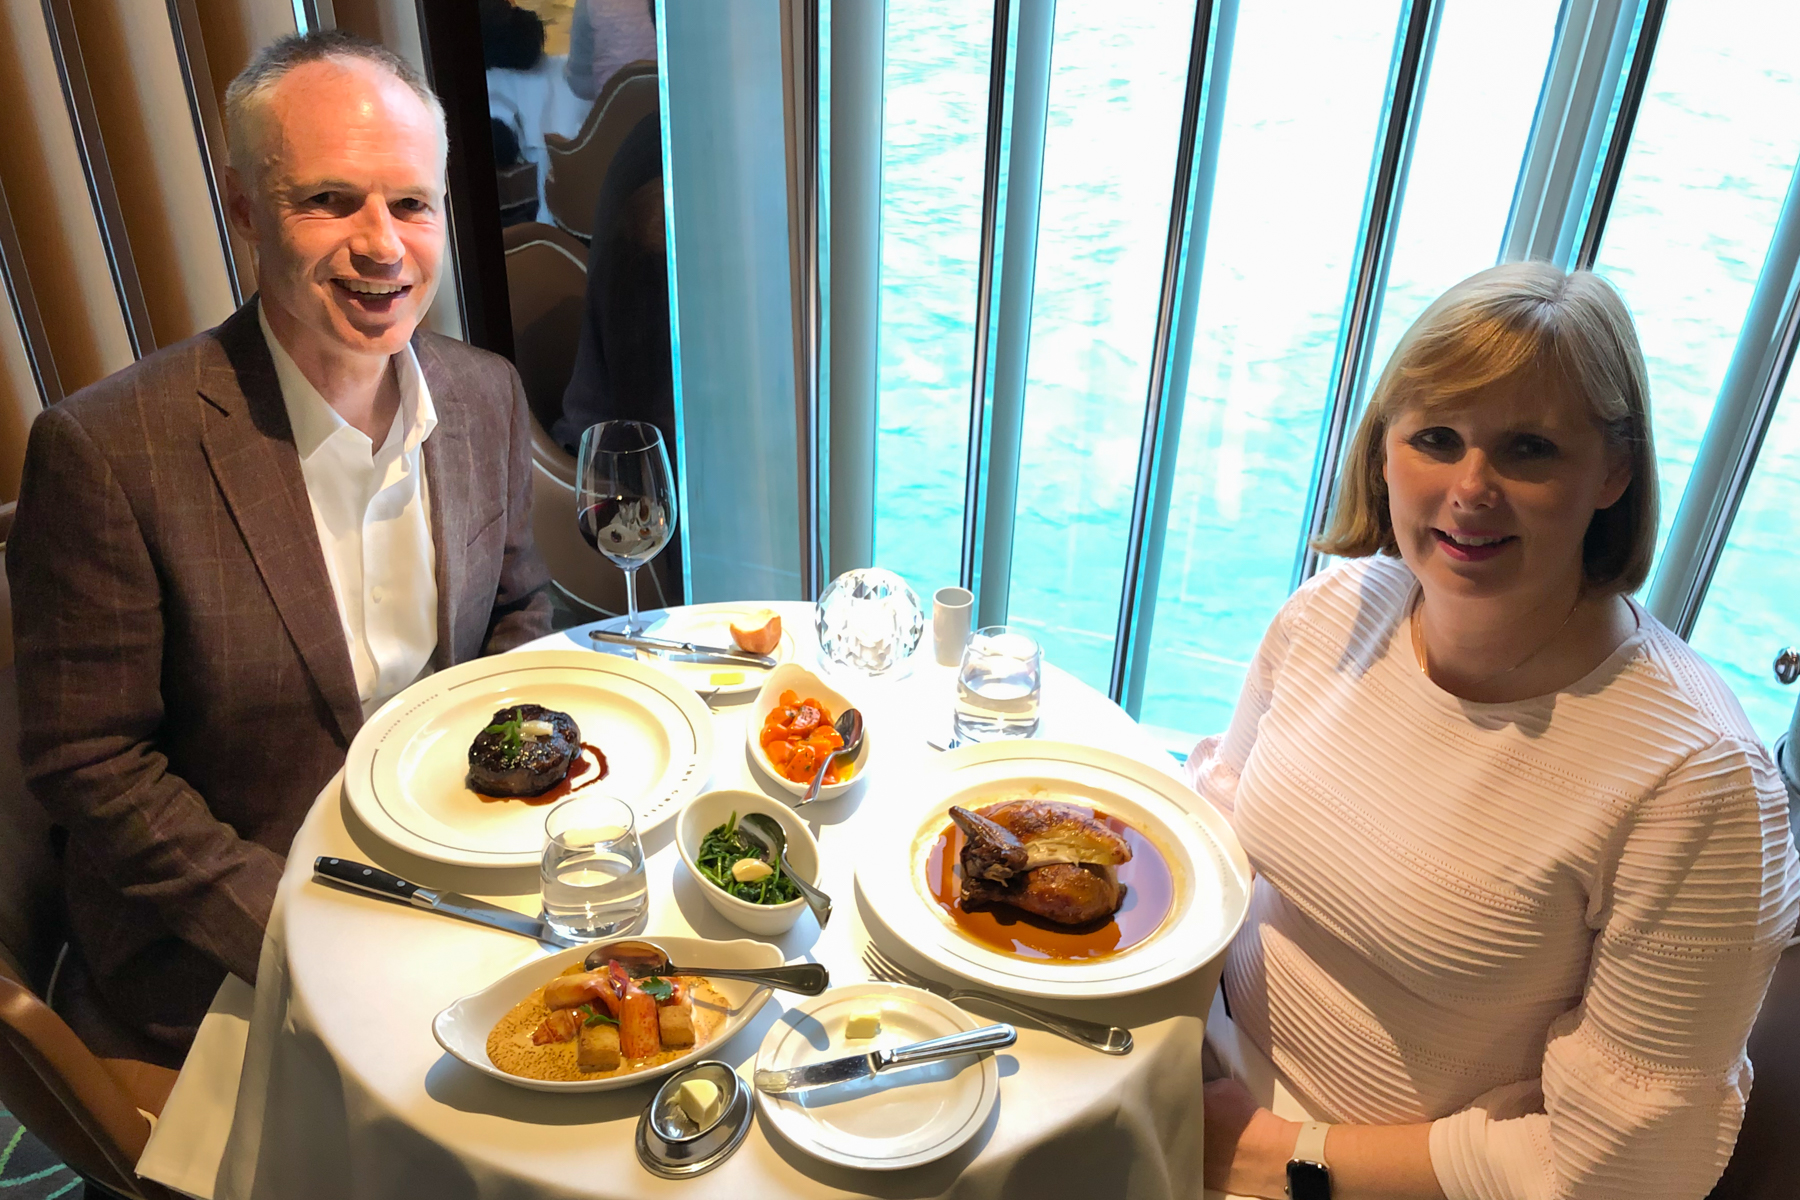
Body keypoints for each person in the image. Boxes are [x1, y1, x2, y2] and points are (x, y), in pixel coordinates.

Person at [6, 30, 551, 1110]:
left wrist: (513, 784)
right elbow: (89, 762)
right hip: (232, 936)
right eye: (330, 201)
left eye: (411, 203)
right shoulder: (110, 453)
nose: (382, 246)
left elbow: (519, 608)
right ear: (246, 210)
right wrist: (306, 922)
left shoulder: (484, 395)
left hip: (464, 871)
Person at [1190, 262, 1798, 1200]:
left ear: (1614, 472)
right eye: (1437, 437)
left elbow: (1625, 1169)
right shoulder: (1333, 612)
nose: (1471, 489)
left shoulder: (1702, 788)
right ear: (1383, 450)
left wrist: (1287, 1156)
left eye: (1528, 450)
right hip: (1198, 1070)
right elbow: (1224, 828)